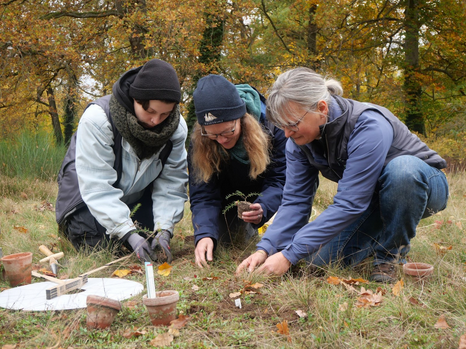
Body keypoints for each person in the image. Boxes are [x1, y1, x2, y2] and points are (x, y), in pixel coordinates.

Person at [237, 67, 449, 282]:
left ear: (321, 108)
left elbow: (350, 203)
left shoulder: (368, 125)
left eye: (292, 124)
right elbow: (295, 201)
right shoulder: (298, 142)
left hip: (422, 185)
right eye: (281, 126)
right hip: (371, 200)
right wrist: (266, 248)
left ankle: (390, 256)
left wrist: (289, 254)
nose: (286, 134)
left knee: (402, 170)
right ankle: (376, 236)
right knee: (315, 261)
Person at [55, 59, 188, 263]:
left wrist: (164, 230)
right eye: (150, 112)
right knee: (98, 245)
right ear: (135, 99)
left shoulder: (176, 129)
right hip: (85, 198)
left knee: (150, 240)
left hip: (135, 198)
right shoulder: (98, 119)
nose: (156, 121)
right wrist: (128, 234)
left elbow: (171, 183)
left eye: (165, 114)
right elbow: (96, 186)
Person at [188, 74, 287, 268]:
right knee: (225, 241)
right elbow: (203, 193)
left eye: (228, 131)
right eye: (214, 134)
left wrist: (264, 206)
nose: (222, 140)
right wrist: (204, 233)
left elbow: (281, 179)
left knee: (278, 239)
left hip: (265, 193)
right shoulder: (201, 139)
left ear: (242, 119)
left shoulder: (273, 127)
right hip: (227, 197)